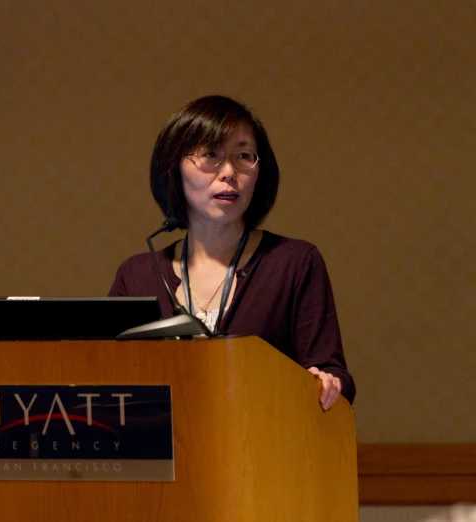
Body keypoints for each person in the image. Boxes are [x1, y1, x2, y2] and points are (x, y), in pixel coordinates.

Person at [108, 95, 355, 409]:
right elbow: (106, 379)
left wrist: (329, 383)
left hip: (263, 449)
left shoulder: (294, 263)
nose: (229, 171)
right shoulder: (136, 276)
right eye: (211, 154)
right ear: (174, 169)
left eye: (243, 155)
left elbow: (334, 375)